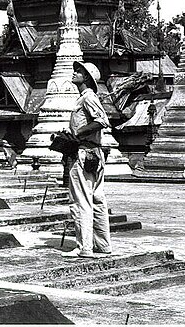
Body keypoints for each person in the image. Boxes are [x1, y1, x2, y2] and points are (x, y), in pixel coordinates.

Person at [62, 61, 112, 258]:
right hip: (95, 153)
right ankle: (103, 245)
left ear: (87, 78)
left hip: (84, 153)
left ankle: (85, 247)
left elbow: (102, 121)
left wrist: (78, 133)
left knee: (81, 200)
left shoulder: (88, 97)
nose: (74, 73)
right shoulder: (86, 97)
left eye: (79, 72)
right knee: (98, 200)